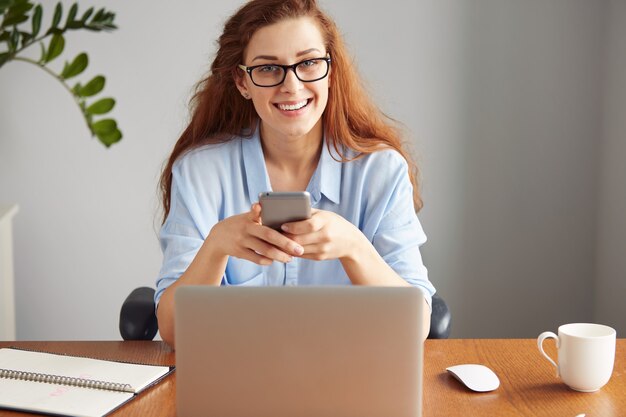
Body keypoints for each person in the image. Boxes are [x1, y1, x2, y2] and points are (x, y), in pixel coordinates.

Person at [155, 0, 436, 347]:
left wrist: (354, 248)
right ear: (242, 82)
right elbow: (172, 331)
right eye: (269, 68)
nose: (292, 85)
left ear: (330, 71)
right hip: (236, 380)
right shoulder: (200, 172)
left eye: (308, 63)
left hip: (348, 381)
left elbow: (416, 325)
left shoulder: (381, 170)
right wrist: (216, 247)